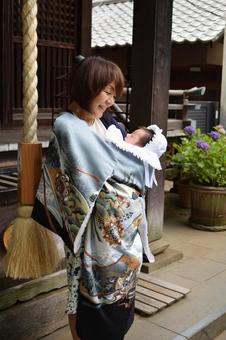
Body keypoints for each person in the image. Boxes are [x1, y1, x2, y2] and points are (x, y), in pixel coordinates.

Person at [31, 55, 167, 340]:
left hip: (121, 240)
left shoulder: (106, 125)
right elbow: (112, 167)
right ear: (88, 85)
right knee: (84, 301)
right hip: (91, 239)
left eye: (113, 94)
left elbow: (125, 160)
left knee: (119, 296)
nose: (110, 100)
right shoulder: (69, 126)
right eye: (107, 91)